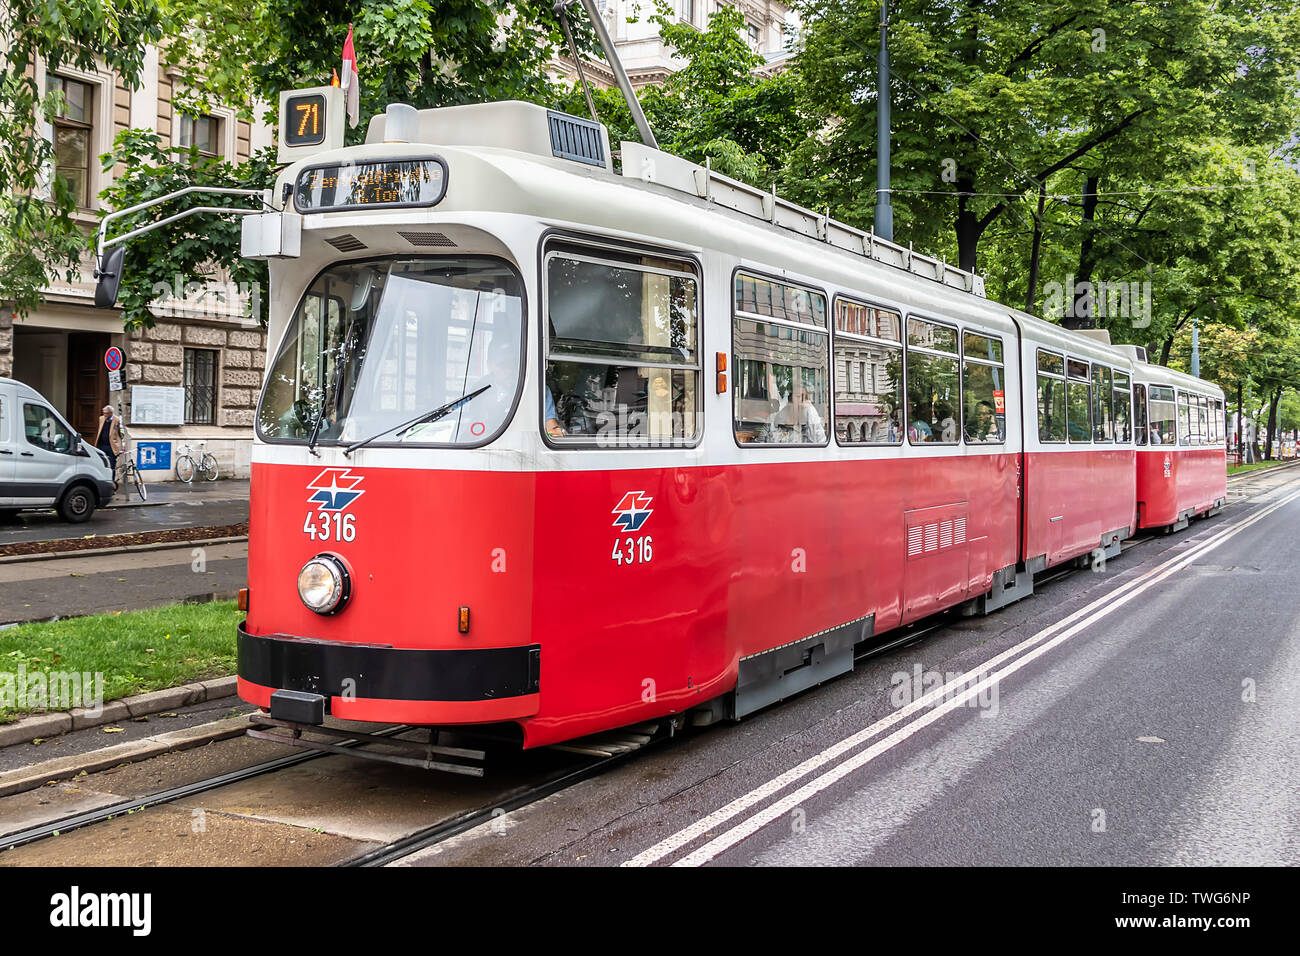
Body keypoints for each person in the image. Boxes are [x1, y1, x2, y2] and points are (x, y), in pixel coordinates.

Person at [95, 405, 123, 488]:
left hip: (112, 447)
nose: (104, 415)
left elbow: (121, 433)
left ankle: (111, 485)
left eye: (106, 413)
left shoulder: (117, 420)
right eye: (104, 413)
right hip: (102, 446)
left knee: (111, 466)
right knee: (101, 465)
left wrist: (120, 445)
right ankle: (102, 484)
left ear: (111, 413)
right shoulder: (101, 418)